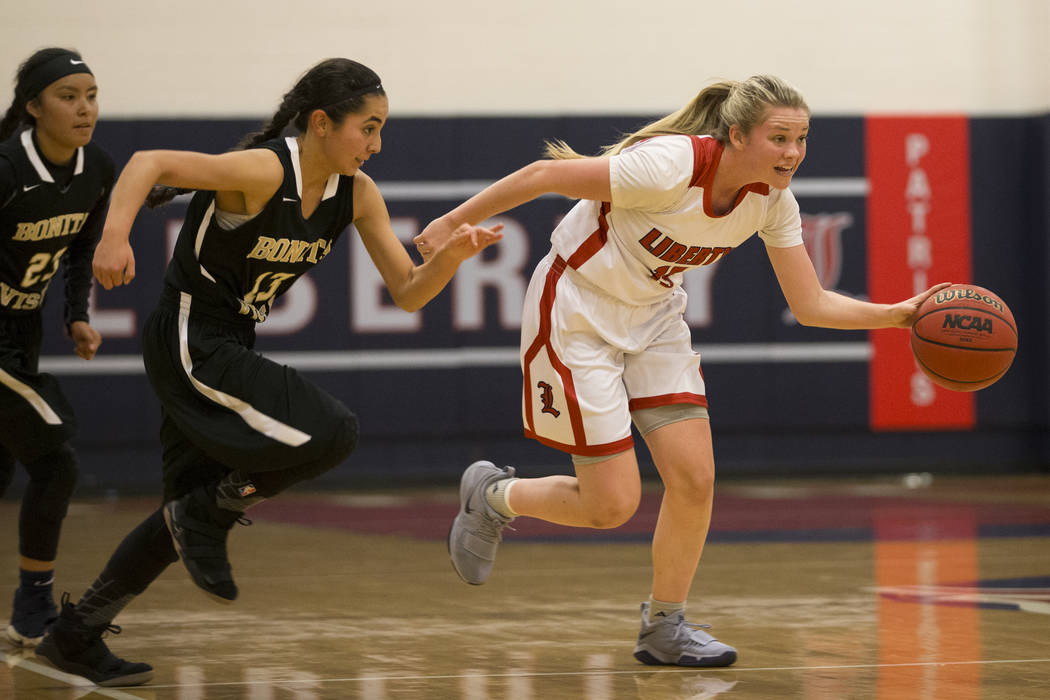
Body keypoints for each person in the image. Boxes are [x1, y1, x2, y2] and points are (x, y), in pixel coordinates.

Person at [417, 75, 950, 668]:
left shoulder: (773, 203)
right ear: (736, 135)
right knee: (610, 507)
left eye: (802, 138)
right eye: (779, 138)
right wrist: (446, 225)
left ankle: (665, 626)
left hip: (656, 319)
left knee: (695, 481)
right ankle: (495, 496)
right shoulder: (667, 166)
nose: (793, 153)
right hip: (577, 308)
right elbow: (542, 176)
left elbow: (811, 304)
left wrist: (901, 316)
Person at [34, 57, 502, 687]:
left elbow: (410, 291)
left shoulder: (356, 195)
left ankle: (75, 633)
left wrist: (454, 257)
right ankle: (211, 510)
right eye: (367, 127)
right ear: (320, 123)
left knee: (178, 516)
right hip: (189, 336)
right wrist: (114, 236)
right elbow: (148, 162)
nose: (377, 143)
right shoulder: (263, 171)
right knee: (332, 431)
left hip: (230, 339)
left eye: (382, 128)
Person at [0, 48, 112, 648]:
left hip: (22, 334)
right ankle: (33, 605)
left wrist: (75, 317)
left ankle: (28, 605)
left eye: (91, 94)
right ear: (33, 107)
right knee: (55, 458)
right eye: (68, 96)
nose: (84, 107)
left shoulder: (97, 168)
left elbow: (80, 249)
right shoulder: (6, 169)